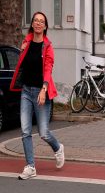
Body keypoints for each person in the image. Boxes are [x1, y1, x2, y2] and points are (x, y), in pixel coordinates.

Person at [10, 11, 65, 180]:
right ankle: (30, 166)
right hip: (26, 91)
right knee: (25, 131)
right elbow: (22, 66)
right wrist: (22, 50)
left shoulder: (47, 46)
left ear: (45, 26)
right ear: (32, 24)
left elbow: (48, 68)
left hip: (41, 92)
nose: (38, 23)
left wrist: (44, 89)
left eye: (42, 21)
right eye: (36, 20)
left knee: (43, 132)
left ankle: (58, 148)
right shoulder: (26, 43)